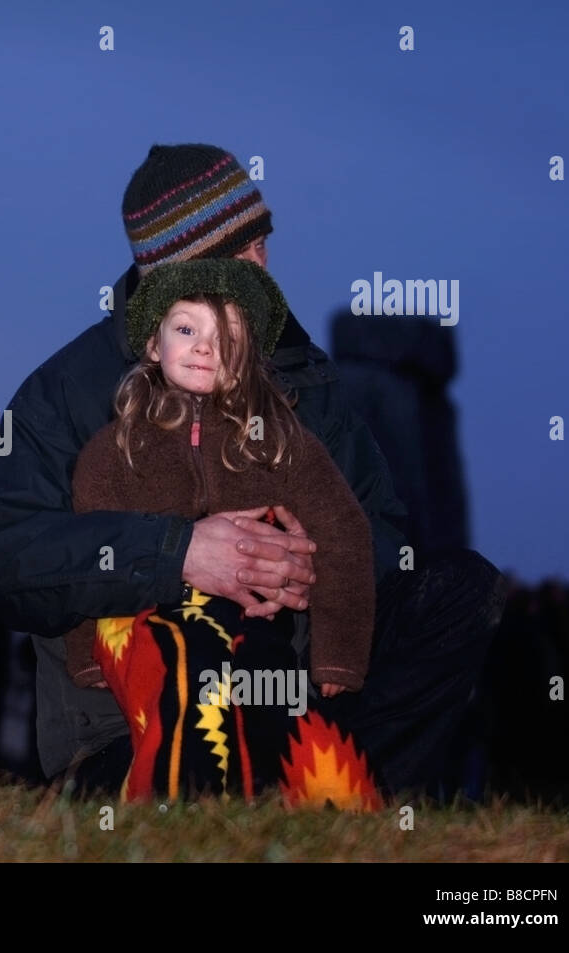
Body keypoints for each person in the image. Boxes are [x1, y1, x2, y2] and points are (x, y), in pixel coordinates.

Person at [0, 143, 506, 797]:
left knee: (459, 590)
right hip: (135, 721)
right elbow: (3, 557)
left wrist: (303, 566)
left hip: (294, 689)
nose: (263, 262)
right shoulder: (66, 392)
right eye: (240, 247)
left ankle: (354, 804)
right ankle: (254, 794)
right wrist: (180, 552)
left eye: (262, 240)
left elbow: (378, 534)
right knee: (192, 689)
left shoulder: (299, 370)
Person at [63, 258, 376, 801]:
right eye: (186, 330)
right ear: (155, 346)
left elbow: (344, 531)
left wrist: (338, 653)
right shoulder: (113, 451)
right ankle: (178, 805)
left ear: (249, 355)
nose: (205, 347)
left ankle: (275, 803)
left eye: (226, 337)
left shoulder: (283, 443)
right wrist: (85, 650)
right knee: (190, 661)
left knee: (269, 683)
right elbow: (90, 548)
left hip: (253, 622)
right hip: (139, 622)